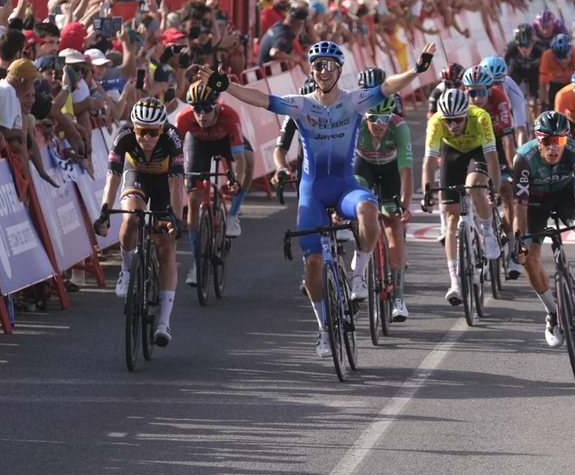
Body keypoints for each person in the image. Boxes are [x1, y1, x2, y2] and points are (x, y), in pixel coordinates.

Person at [211, 39, 433, 358]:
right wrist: (227, 86)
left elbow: (386, 87)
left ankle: (359, 272)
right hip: (312, 192)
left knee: (369, 207)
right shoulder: (300, 105)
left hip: (344, 187)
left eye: (329, 65)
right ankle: (324, 329)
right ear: (312, 70)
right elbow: (261, 99)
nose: (323, 70)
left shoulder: (355, 101)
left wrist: (416, 69)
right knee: (313, 265)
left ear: (339, 70)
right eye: (317, 65)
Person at [97, 97, 186, 347]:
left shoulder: (172, 138)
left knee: (167, 249)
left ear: (162, 129)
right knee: (132, 218)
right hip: (136, 176)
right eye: (141, 131)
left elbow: (176, 186)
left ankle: (163, 322)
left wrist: (176, 219)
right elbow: (112, 179)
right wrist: (105, 210)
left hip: (164, 183)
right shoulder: (123, 135)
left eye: (153, 132)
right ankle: (127, 269)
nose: (146, 138)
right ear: (133, 128)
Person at [512, 110, 575, 345]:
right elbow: (520, 207)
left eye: (560, 141)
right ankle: (553, 314)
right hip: (534, 203)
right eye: (547, 141)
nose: (554, 148)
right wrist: (519, 239)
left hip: (566, 198)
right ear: (537, 140)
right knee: (528, 257)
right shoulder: (524, 158)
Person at [423, 87, 504, 305]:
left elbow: (493, 159)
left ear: (466, 114)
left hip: (478, 152)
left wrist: (494, 190)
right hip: (452, 154)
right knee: (451, 219)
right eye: (449, 121)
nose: (453, 125)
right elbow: (429, 163)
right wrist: (427, 192)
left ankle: (488, 230)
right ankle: (455, 281)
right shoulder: (436, 122)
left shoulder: (481, 117)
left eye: (458, 119)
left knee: (474, 187)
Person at [174, 81, 249, 292]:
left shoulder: (230, 116)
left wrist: (236, 182)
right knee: (194, 197)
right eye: (197, 109)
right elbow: (175, 155)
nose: (201, 115)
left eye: (207, 109)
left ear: (216, 105)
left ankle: (232, 215)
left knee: (249, 163)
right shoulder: (184, 118)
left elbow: (240, 160)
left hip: (225, 141)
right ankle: (197, 263)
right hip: (198, 144)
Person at [354, 98, 413, 322]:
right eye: (373, 118)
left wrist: (405, 205)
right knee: (359, 197)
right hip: (364, 168)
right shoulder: (356, 126)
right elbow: (344, 168)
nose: (378, 124)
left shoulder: (399, 128)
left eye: (384, 118)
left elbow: (407, 171)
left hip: (391, 171)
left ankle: (398, 296)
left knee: (393, 226)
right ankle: (361, 248)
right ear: (365, 117)